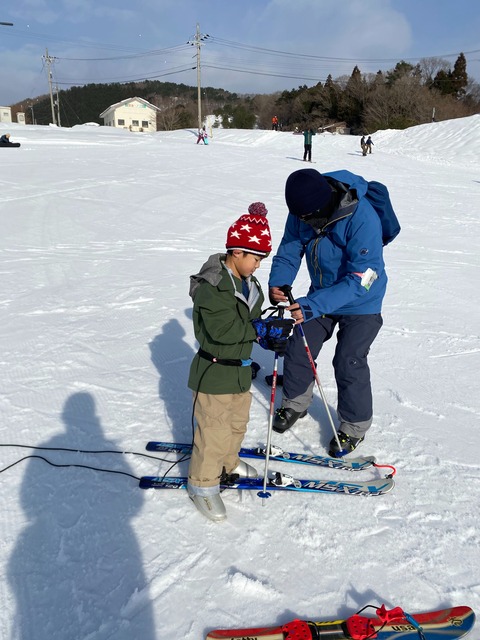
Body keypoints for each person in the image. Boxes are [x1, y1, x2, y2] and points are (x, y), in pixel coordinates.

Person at [268, 168, 388, 457]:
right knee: (299, 344)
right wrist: (279, 282)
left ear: (324, 207)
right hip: (321, 292)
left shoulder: (363, 218)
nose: (305, 223)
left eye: (309, 218)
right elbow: (289, 247)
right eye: (302, 218)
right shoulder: (301, 210)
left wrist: (312, 306)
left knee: (349, 359)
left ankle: (354, 426)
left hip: (362, 300)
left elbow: (364, 276)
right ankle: (295, 403)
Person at [187, 202, 293, 522]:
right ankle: (202, 485)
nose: (259, 265)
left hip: (240, 372)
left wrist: (268, 332)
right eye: (256, 258)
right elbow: (223, 330)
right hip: (215, 371)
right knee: (213, 431)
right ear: (237, 251)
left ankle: (228, 463)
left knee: (236, 425)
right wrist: (256, 329)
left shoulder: (250, 284)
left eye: (262, 259)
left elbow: (251, 320)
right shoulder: (213, 285)